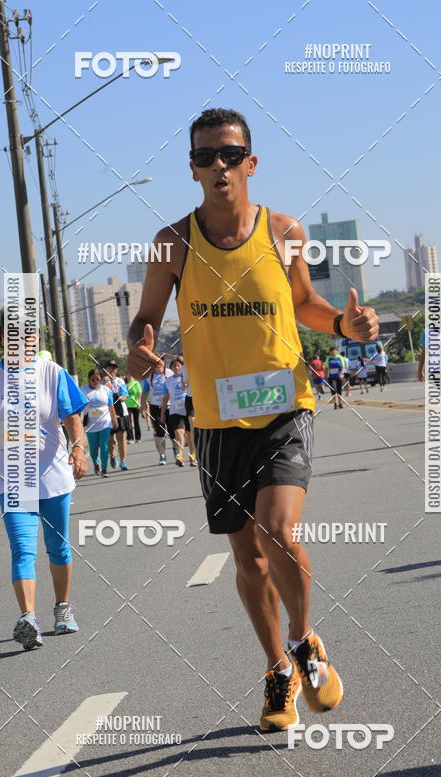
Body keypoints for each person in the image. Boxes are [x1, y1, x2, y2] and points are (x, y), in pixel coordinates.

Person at [128, 107, 379, 731]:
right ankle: (278, 670)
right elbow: (146, 317)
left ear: (251, 163)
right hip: (214, 419)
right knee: (248, 558)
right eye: (207, 156)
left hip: (284, 408)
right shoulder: (173, 243)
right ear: (192, 168)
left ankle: (303, 641)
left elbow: (304, 306)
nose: (220, 166)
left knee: (276, 531)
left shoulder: (284, 230)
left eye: (231, 154)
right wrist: (138, 342)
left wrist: (344, 326)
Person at [0, 312, 88, 651]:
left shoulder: (52, 373)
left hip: (53, 478)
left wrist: (78, 450)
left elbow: (72, 418)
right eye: (12, 333)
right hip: (13, 480)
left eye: (27, 334)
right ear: (2, 337)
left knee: (58, 546)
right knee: (22, 549)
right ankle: (28, 619)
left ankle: (62, 609)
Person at [81, 368, 118, 477]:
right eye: (93, 379)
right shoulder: (83, 390)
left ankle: (104, 469)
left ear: (101, 379)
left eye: (98, 379)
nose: (95, 381)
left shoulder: (106, 390)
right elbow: (79, 407)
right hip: (90, 424)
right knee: (93, 449)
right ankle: (96, 462)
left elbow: (111, 406)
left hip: (105, 422)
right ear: (89, 379)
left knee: (104, 445)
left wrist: (114, 419)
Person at [140, 358, 172, 465]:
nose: (158, 365)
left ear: (164, 363)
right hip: (155, 407)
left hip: (170, 406)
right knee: (159, 431)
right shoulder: (149, 376)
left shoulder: (170, 373)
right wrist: (142, 406)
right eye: (156, 363)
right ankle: (162, 455)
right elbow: (144, 392)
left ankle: (177, 452)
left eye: (160, 363)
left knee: (173, 431)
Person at [160, 357, 191, 467]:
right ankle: (180, 456)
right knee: (179, 433)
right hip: (174, 410)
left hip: (188, 409)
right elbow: (165, 398)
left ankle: (193, 456)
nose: (176, 367)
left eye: (178, 365)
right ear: (171, 368)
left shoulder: (188, 378)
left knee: (190, 434)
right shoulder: (168, 381)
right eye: (174, 366)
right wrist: (162, 413)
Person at [104, 361, 130, 470]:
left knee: (121, 438)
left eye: (114, 368)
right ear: (106, 369)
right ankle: (112, 456)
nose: (112, 370)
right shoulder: (102, 382)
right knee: (110, 439)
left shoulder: (120, 381)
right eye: (110, 368)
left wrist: (118, 396)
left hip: (121, 412)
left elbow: (125, 396)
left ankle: (123, 461)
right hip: (107, 413)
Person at [179, 355, 198, 466]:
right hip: (190, 398)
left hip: (202, 397)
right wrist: (183, 381)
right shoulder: (184, 368)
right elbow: (183, 387)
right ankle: (194, 454)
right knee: (193, 426)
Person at [125, 373, 142, 442]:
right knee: (128, 422)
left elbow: (139, 393)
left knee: (136, 421)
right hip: (127, 405)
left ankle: (138, 438)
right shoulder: (126, 384)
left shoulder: (136, 383)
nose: (129, 376)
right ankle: (130, 437)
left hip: (135, 404)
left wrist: (139, 402)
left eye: (130, 375)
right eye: (128, 375)